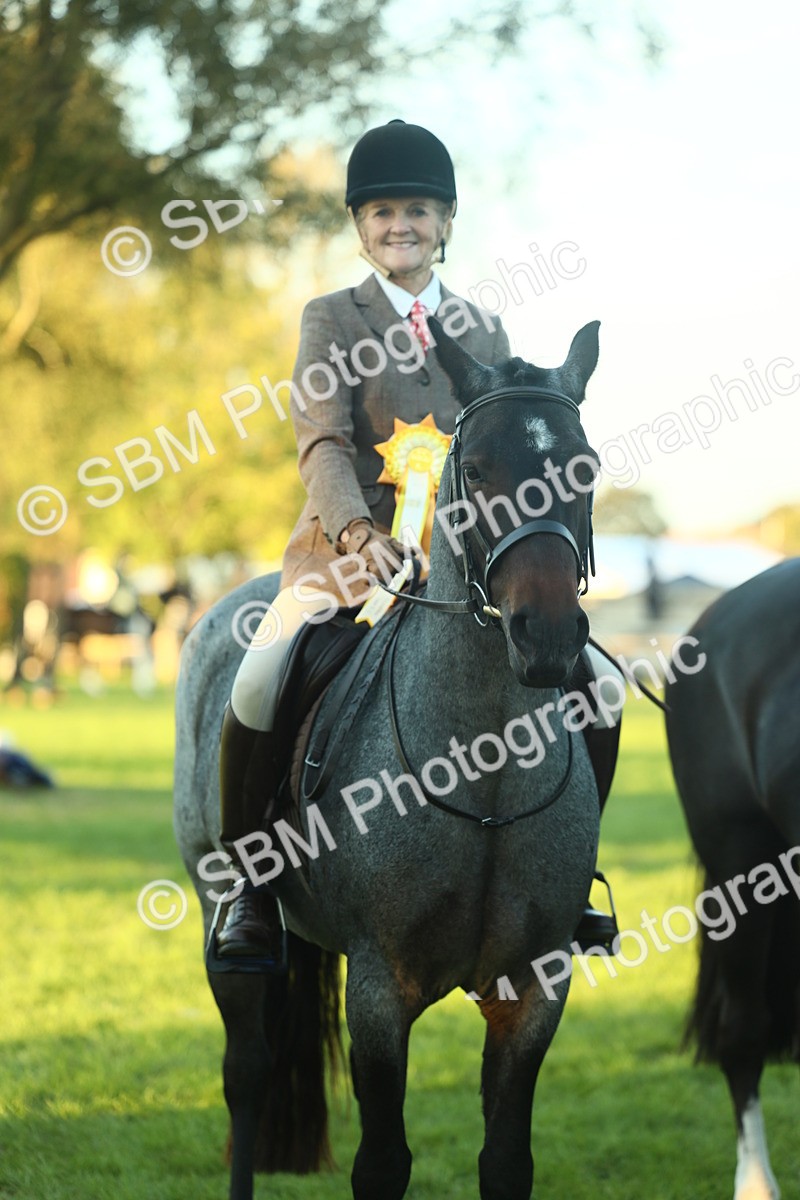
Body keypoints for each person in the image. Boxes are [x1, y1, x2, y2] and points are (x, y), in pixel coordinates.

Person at [215, 119, 621, 961]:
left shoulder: (484, 324)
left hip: (467, 566)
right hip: (345, 554)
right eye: (383, 211)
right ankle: (249, 884)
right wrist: (361, 534)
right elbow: (323, 441)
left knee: (603, 692)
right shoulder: (331, 319)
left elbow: (508, 447)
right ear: (361, 227)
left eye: (419, 211)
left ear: (446, 223)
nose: (401, 224)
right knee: (260, 670)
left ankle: (573, 880)